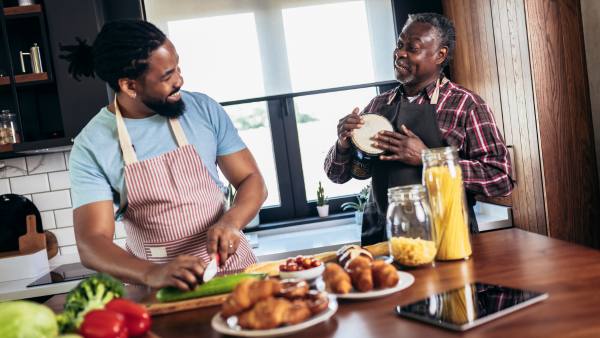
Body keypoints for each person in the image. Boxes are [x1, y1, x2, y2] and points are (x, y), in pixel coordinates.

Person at [62, 20, 267, 290]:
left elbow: (252, 179)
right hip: (156, 288)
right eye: (166, 76)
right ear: (129, 86)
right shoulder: (92, 146)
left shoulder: (202, 109)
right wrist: (151, 274)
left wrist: (231, 221)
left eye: (177, 67)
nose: (179, 80)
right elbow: (92, 241)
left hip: (232, 271)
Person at [324, 13, 513, 245]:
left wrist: (428, 158)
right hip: (384, 237)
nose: (400, 53)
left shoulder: (466, 104)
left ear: (440, 54)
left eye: (412, 48)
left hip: (445, 237)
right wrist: (344, 143)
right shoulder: (377, 106)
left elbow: (500, 178)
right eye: (399, 44)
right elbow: (342, 174)